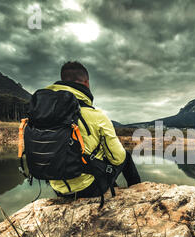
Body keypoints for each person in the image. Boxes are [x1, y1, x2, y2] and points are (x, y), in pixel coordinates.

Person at [48, 61, 141, 198]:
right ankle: (137, 194)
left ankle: (111, 188)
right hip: (87, 190)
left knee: (96, 162)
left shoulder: (46, 114)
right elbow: (117, 158)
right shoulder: (96, 116)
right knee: (125, 156)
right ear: (86, 83)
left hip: (58, 189)